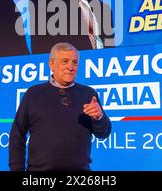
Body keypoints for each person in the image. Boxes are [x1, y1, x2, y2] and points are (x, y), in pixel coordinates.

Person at [9, 42, 111, 171]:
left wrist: (99, 117)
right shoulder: (33, 94)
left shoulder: (88, 94)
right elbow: (17, 135)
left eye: (75, 62)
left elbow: (103, 133)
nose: (70, 66)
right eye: (65, 61)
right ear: (51, 64)